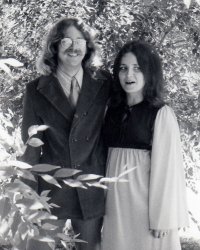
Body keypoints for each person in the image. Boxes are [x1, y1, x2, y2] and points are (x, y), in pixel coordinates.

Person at [21, 17, 111, 250]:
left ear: (88, 47)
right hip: (51, 191)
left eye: (80, 40)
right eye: (67, 40)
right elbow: (31, 147)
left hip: (91, 188)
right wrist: (30, 196)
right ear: (54, 46)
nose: (75, 46)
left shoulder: (103, 84)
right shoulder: (35, 90)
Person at [101, 41, 189, 250]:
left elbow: (168, 171)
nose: (128, 74)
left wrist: (163, 217)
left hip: (148, 210)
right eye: (123, 68)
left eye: (137, 68)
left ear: (149, 72)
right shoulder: (110, 110)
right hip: (115, 207)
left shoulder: (161, 113)